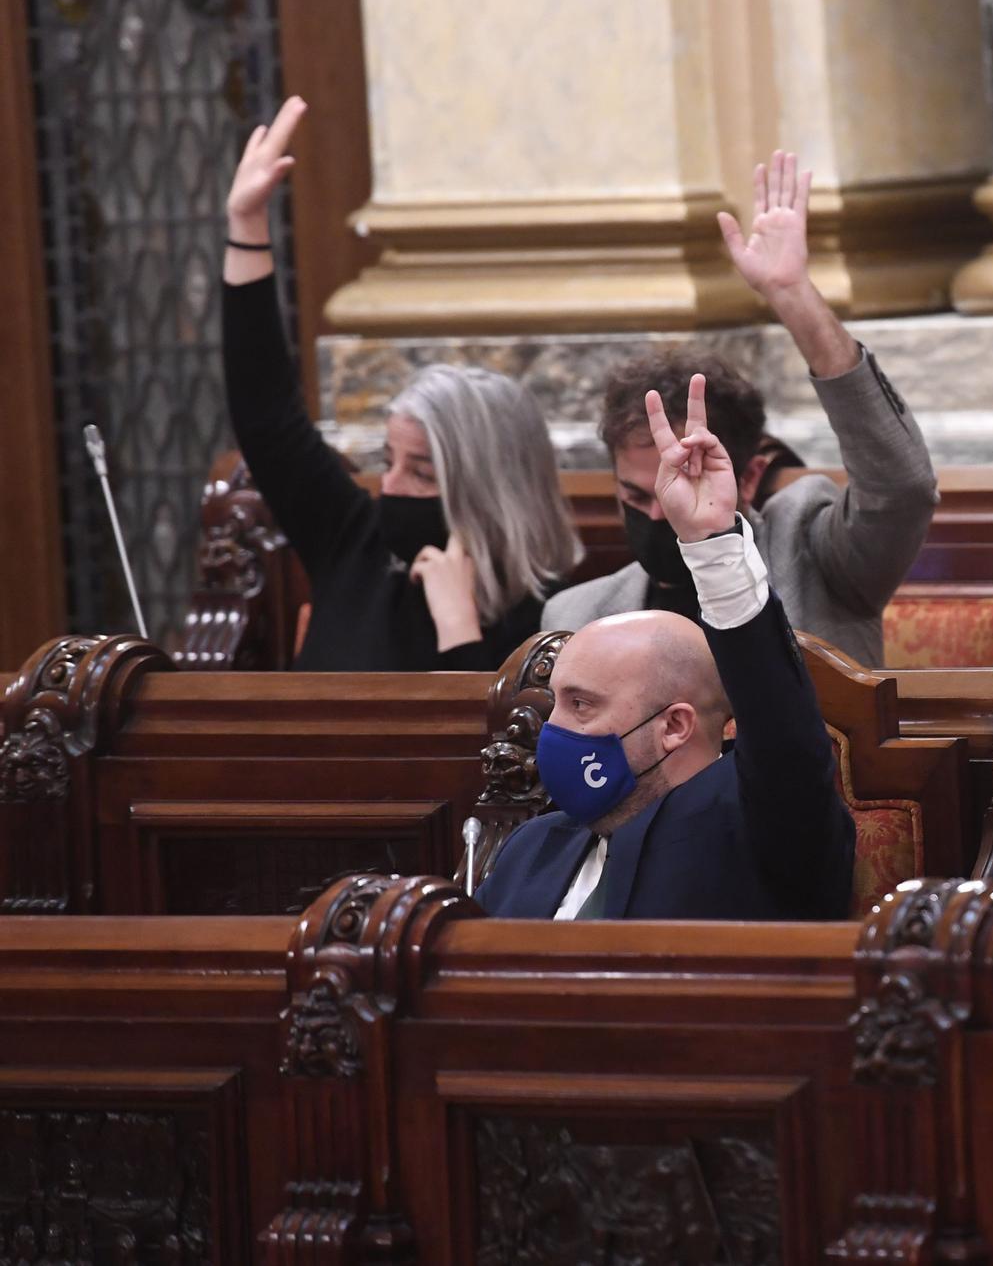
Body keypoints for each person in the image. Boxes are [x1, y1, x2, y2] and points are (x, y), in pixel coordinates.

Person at [475, 374, 855, 920]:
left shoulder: (755, 824)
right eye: (556, 701)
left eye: (582, 705)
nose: (553, 731)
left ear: (675, 726)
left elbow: (780, 727)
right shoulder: (532, 848)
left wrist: (713, 545)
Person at [223, 98, 581, 671]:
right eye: (389, 459)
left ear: (487, 486)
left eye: (420, 472)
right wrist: (246, 227)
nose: (388, 488)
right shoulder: (355, 540)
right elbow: (265, 416)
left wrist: (457, 627)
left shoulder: (551, 611)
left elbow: (486, 756)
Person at [543, 152, 936, 666]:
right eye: (634, 495)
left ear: (748, 477)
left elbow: (902, 487)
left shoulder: (815, 561)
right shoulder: (576, 617)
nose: (661, 514)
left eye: (684, 482)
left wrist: (792, 296)